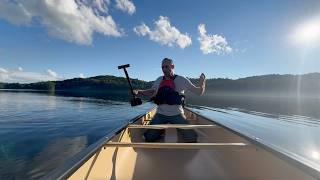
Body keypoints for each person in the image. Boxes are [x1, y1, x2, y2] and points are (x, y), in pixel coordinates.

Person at [133, 58, 206, 142]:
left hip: (177, 114)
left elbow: (198, 92)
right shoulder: (159, 79)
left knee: (192, 139)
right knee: (149, 137)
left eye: (166, 67)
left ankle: (178, 127)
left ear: (173, 66)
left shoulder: (182, 79)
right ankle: (161, 130)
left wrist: (202, 84)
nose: (164, 69)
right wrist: (140, 92)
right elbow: (152, 91)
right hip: (161, 114)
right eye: (162, 67)